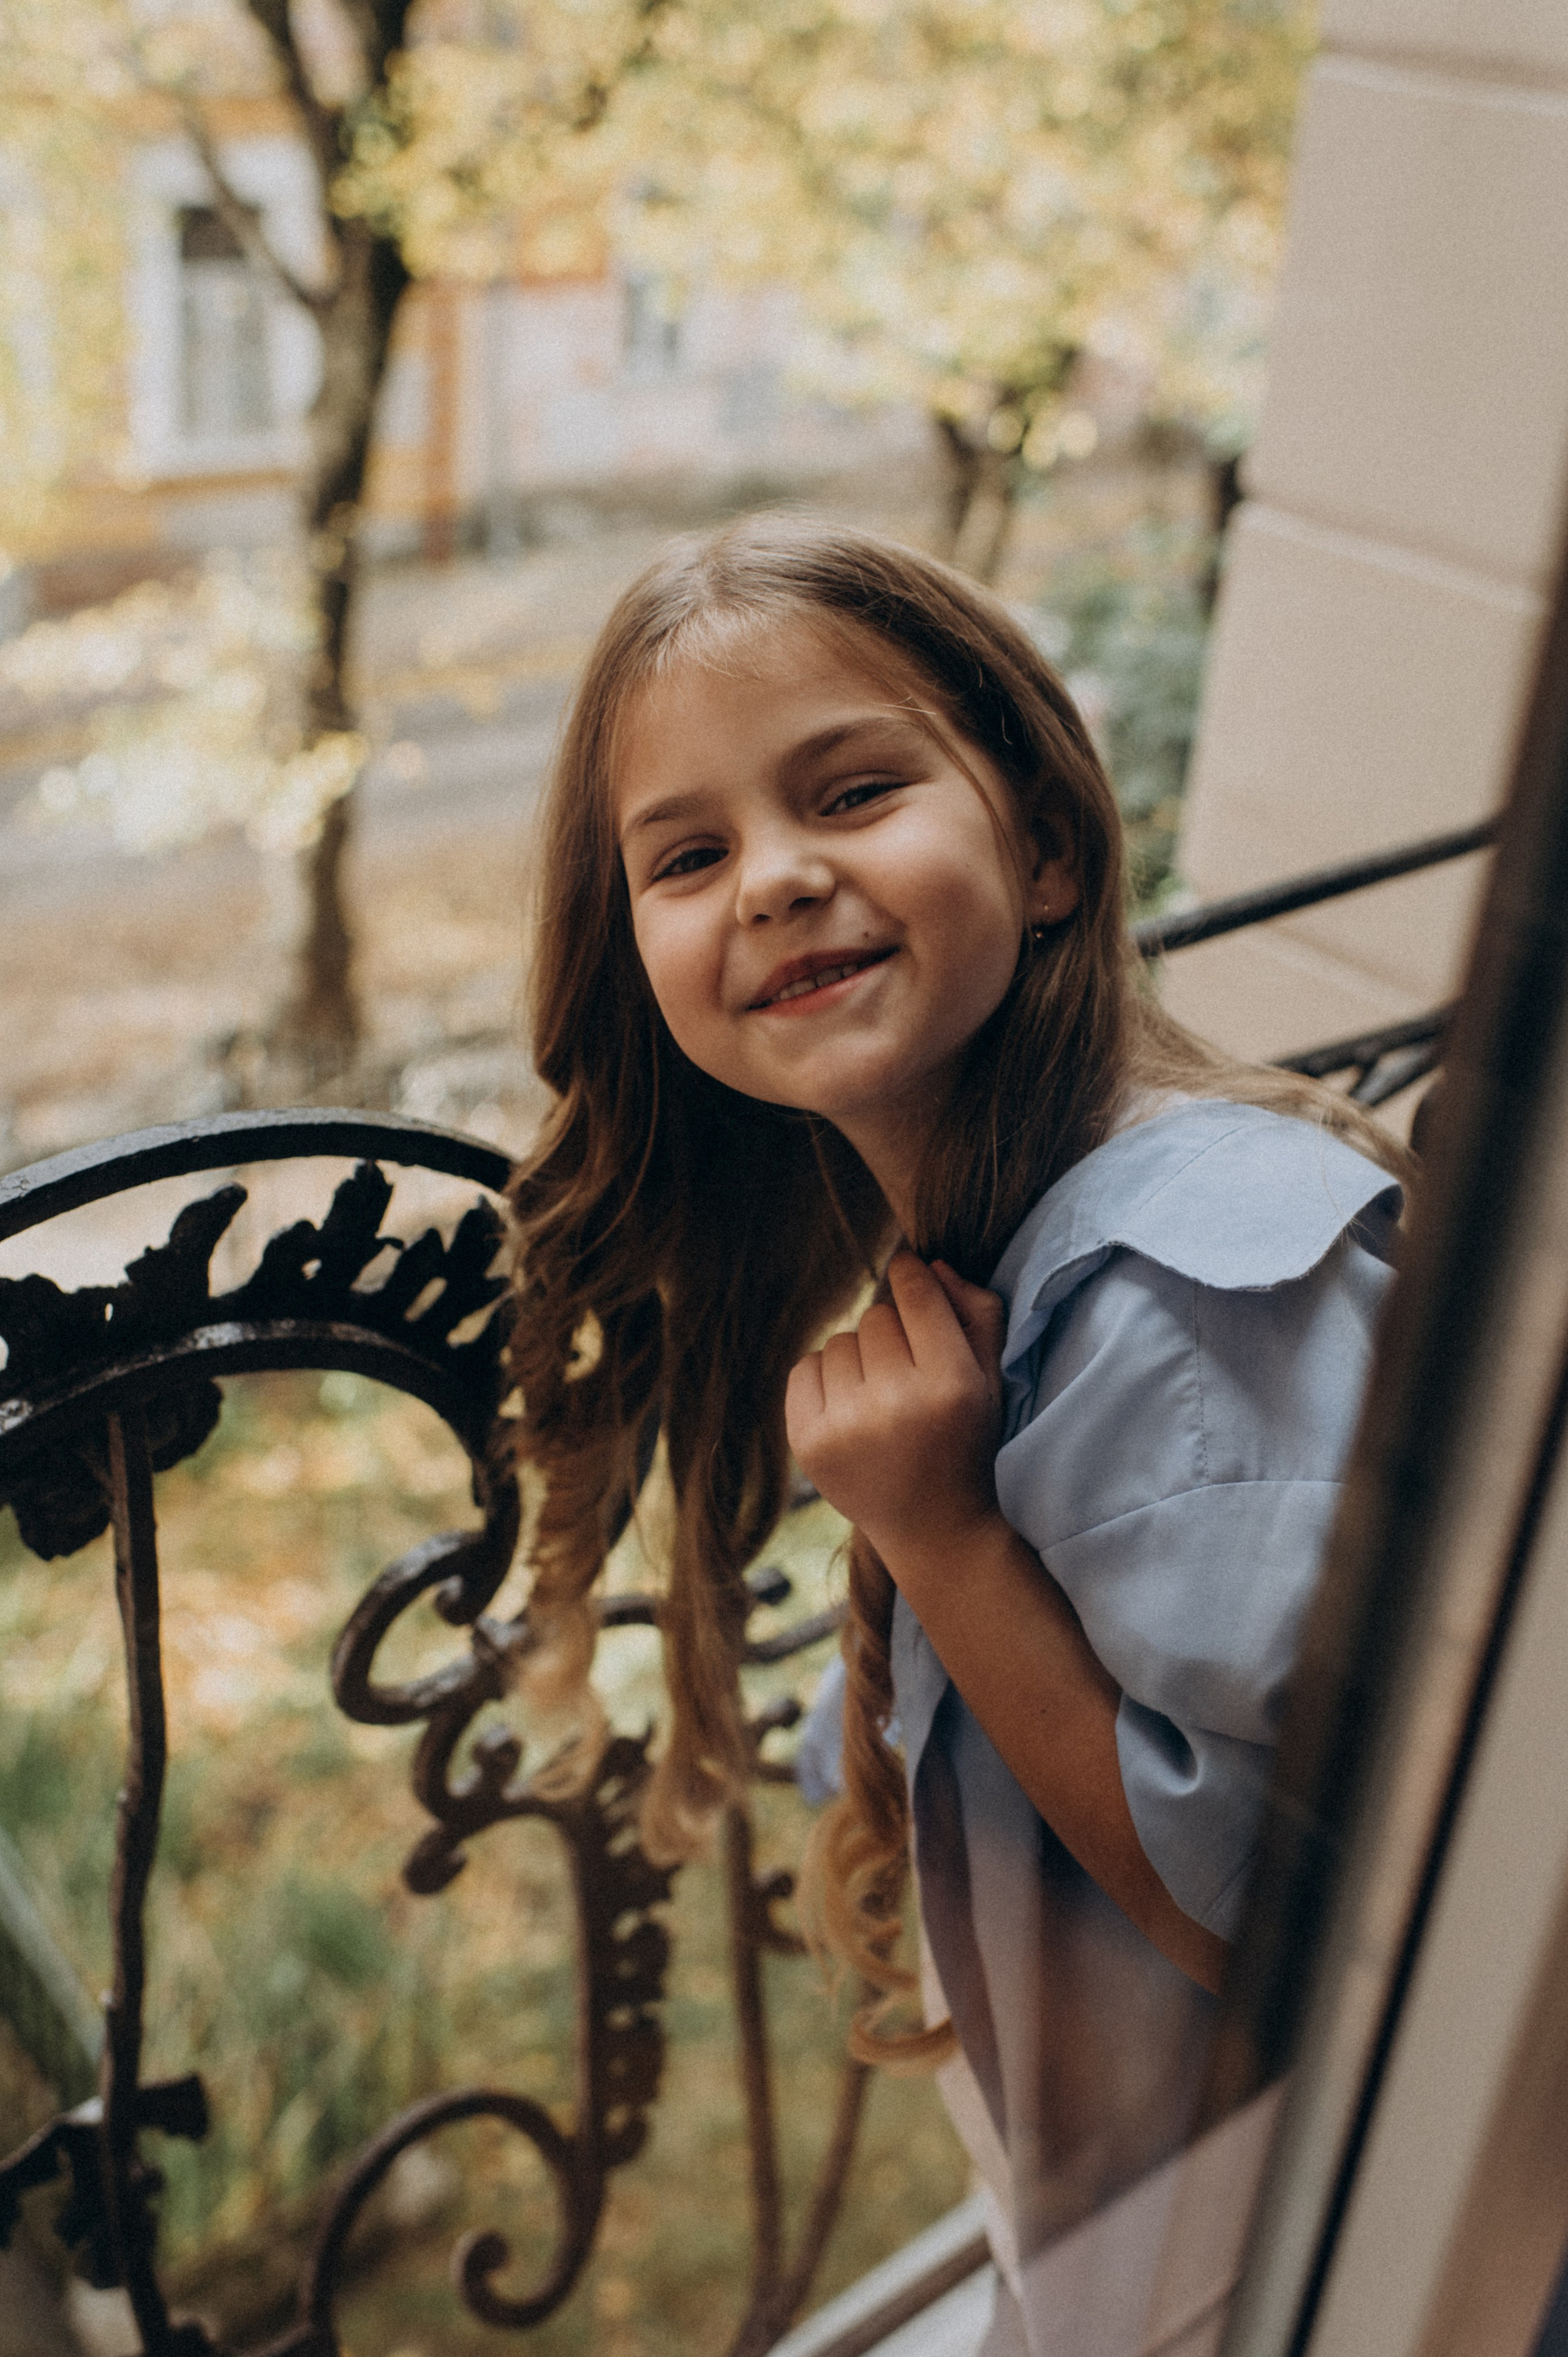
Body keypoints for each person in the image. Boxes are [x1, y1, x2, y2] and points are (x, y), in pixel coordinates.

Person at [505, 516, 1406, 2355]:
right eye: (688, 855)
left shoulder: (1186, 1303)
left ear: (1046, 845)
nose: (774, 880)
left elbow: (1294, 1924)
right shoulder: (1008, 1246)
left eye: (852, 793)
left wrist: (940, 1538)